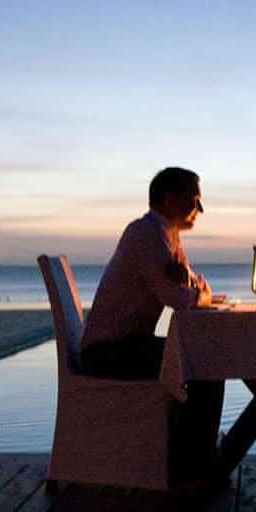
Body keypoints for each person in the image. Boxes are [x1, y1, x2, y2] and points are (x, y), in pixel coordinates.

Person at [81, 166, 224, 484]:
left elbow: (186, 287)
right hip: (107, 351)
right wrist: (196, 293)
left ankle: (192, 461)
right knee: (206, 364)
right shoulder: (146, 234)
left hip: (128, 343)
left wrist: (192, 290)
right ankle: (193, 469)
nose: (200, 210)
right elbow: (181, 297)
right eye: (194, 200)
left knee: (203, 362)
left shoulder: (167, 236)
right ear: (169, 200)